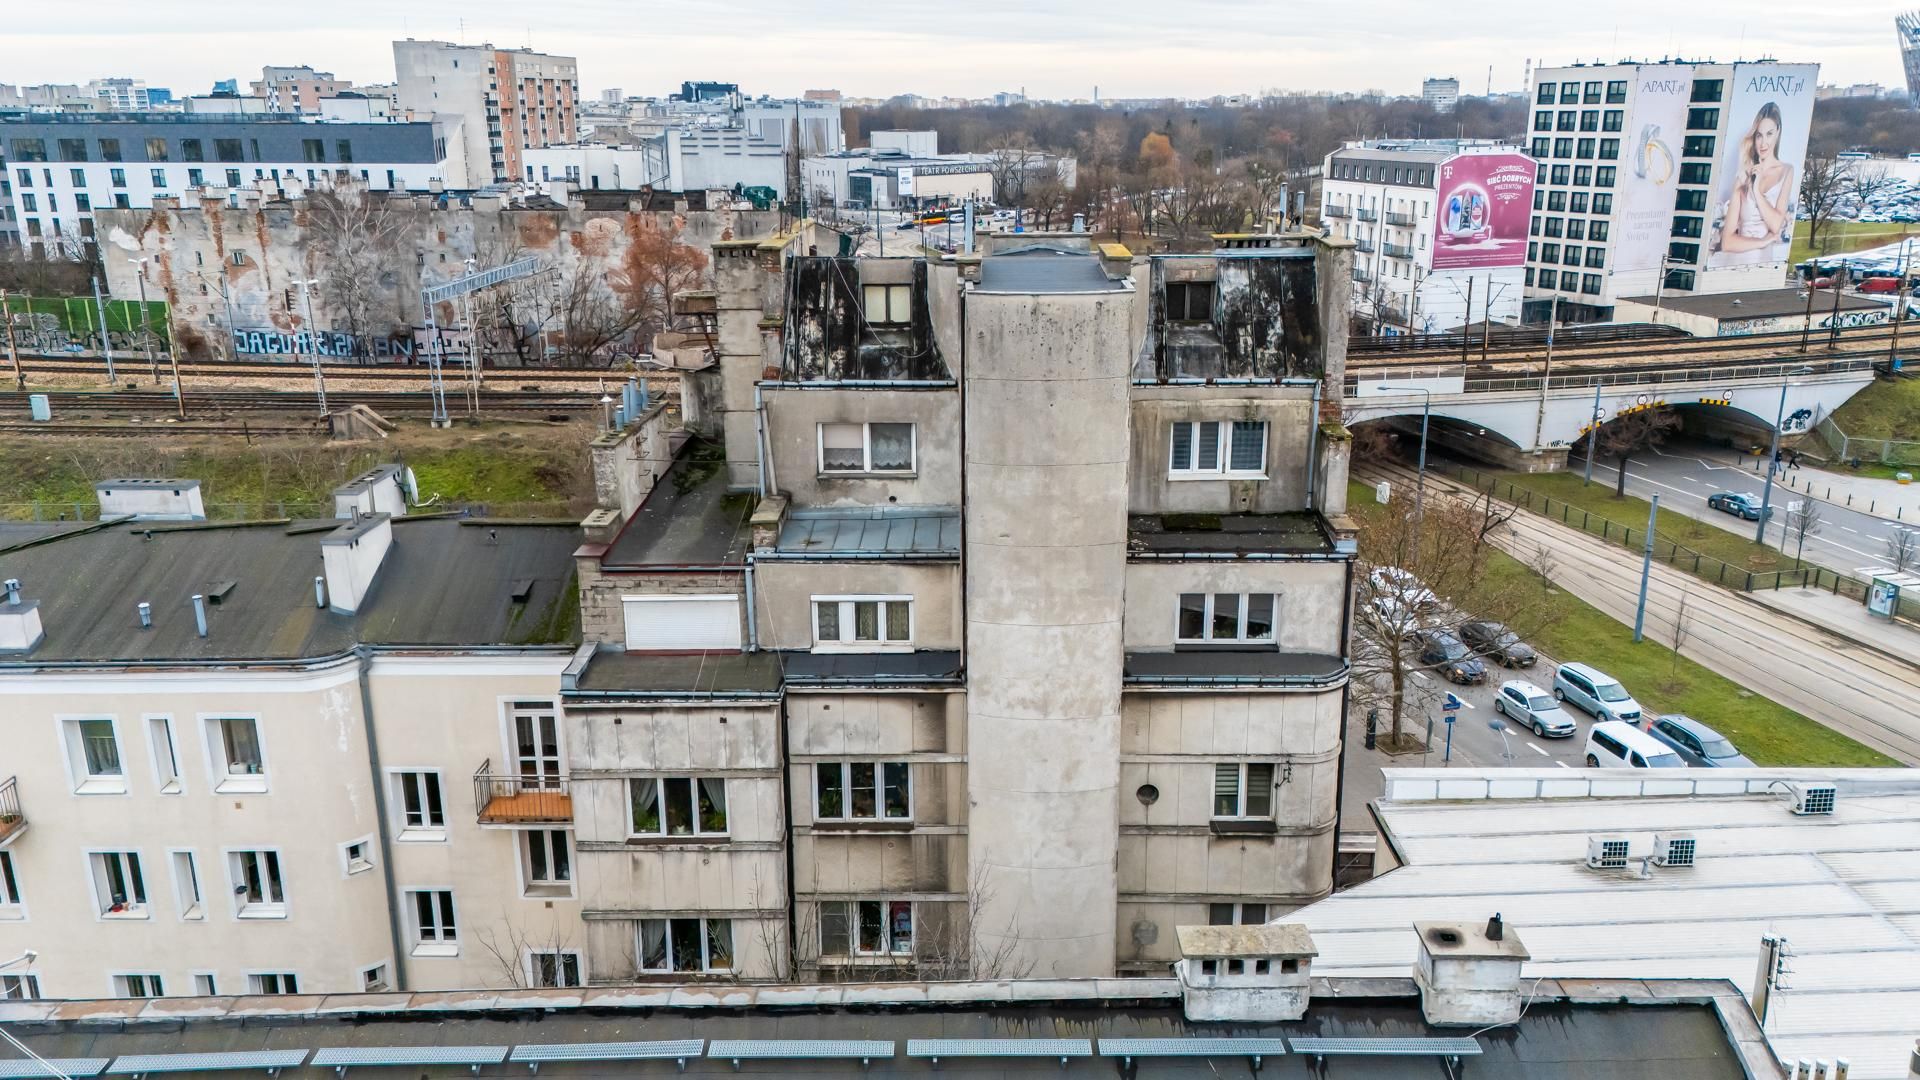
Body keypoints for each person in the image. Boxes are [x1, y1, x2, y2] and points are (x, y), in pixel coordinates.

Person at [1715, 102, 1796, 262]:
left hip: (1762, 266)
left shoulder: (1786, 171)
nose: (1763, 142)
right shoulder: (1743, 176)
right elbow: (1727, 242)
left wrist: (1757, 191)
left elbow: (1775, 225)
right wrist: (1762, 241)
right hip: (1735, 264)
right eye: (1759, 135)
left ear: (1778, 132)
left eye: (1769, 134)